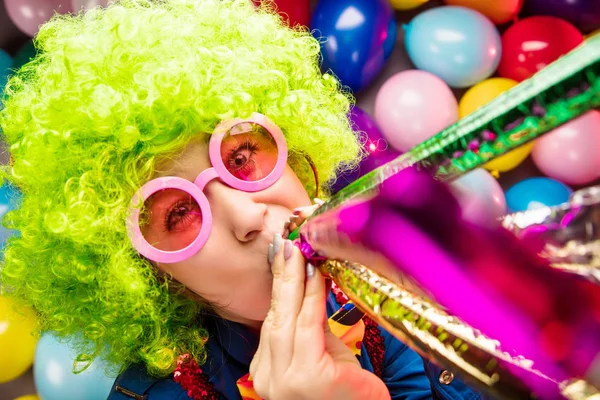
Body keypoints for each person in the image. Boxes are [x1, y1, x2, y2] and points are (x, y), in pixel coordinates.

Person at [0, 1, 481, 399]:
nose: (248, 214)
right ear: (151, 276)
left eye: (242, 155)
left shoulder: (446, 276)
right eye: (180, 212)